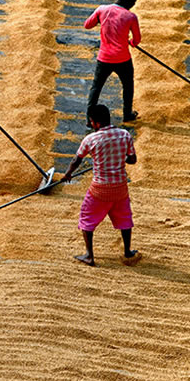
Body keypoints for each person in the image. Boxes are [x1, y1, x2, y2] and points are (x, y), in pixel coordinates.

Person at [63, 104, 141, 267]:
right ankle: (127, 251)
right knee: (124, 217)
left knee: (87, 218)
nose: (91, 125)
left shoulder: (90, 139)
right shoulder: (124, 135)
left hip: (100, 189)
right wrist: (122, 159)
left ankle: (89, 256)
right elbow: (132, 159)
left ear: (96, 123)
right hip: (120, 188)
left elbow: (77, 159)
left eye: (91, 122)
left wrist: (68, 173)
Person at [85, 0, 142, 123]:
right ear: (129, 0)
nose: (133, 5)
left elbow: (87, 25)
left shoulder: (102, 10)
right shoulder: (130, 16)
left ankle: (89, 118)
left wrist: (100, 19)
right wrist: (131, 43)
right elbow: (137, 40)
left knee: (96, 88)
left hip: (104, 58)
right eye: (133, 2)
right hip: (122, 58)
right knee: (128, 86)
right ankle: (127, 114)